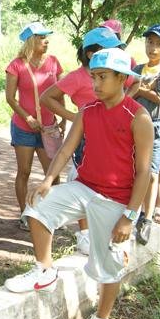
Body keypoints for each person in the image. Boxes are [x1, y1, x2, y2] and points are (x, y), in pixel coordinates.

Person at [5, 44, 154, 319]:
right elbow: (65, 149)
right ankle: (44, 270)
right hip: (84, 186)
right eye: (93, 77)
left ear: (122, 78)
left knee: (108, 263)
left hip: (116, 199)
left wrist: (130, 216)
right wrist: (47, 180)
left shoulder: (138, 117)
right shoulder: (88, 111)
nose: (95, 84)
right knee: (37, 207)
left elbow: (144, 173)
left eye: (102, 78)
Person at [40, 27, 128, 254]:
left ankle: (108, 228)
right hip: (86, 140)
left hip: (112, 138)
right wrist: (76, 118)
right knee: (84, 183)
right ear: (91, 53)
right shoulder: (78, 77)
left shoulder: (114, 72)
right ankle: (86, 235)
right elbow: (47, 97)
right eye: (109, 49)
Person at [5, 22, 63, 231]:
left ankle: (54, 213)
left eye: (47, 37)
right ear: (31, 40)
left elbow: (60, 91)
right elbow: (10, 98)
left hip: (48, 126)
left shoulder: (54, 62)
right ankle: (25, 214)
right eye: (41, 37)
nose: (46, 41)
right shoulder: (16, 65)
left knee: (53, 173)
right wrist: (28, 118)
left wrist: (62, 117)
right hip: (23, 127)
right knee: (24, 171)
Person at [129, 24, 160, 244]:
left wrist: (139, 89)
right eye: (150, 42)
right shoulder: (138, 68)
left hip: (157, 125)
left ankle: (147, 218)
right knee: (135, 168)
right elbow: (127, 93)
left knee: (152, 171)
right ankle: (134, 212)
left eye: (159, 43)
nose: (153, 47)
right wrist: (143, 87)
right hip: (136, 123)